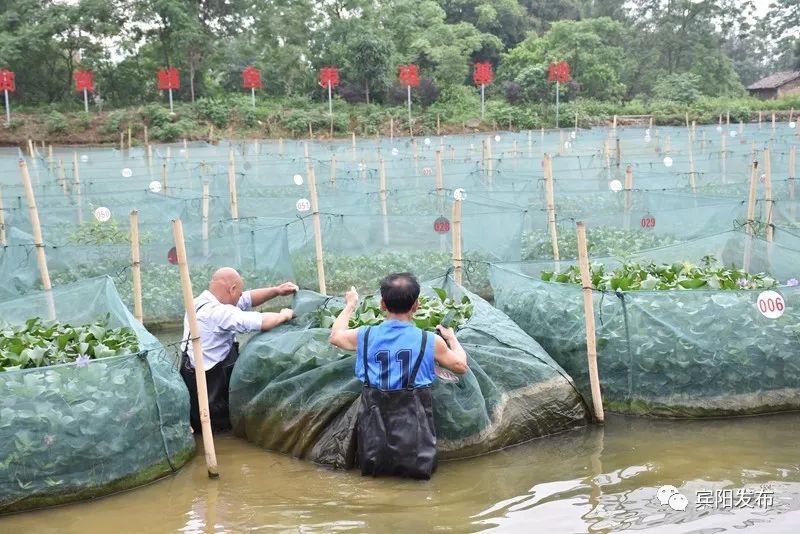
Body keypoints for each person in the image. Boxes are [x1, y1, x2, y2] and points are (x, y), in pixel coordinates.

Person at [328, 273, 468, 479]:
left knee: (374, 475)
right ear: (416, 305)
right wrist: (452, 339)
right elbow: (461, 366)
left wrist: (350, 304)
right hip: (415, 428)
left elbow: (335, 336)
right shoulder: (429, 341)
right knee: (419, 477)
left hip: (374, 425)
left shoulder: (364, 335)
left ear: (382, 304)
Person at [180, 267, 298, 433]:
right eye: (239, 293)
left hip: (195, 383)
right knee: (220, 434)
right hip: (211, 393)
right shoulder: (218, 312)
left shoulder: (199, 302)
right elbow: (262, 322)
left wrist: (276, 290)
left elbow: (247, 299)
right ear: (232, 289)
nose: (241, 297)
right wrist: (285, 315)